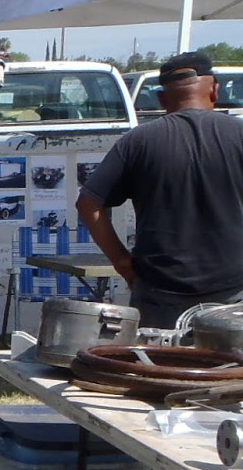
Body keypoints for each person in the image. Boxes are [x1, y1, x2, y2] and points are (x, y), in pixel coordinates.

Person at [77, 51, 243, 329]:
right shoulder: (238, 134)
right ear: (215, 90)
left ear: (162, 99)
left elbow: (88, 204)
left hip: (160, 295)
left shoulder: (137, 142)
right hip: (234, 295)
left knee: (156, 358)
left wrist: (121, 261)